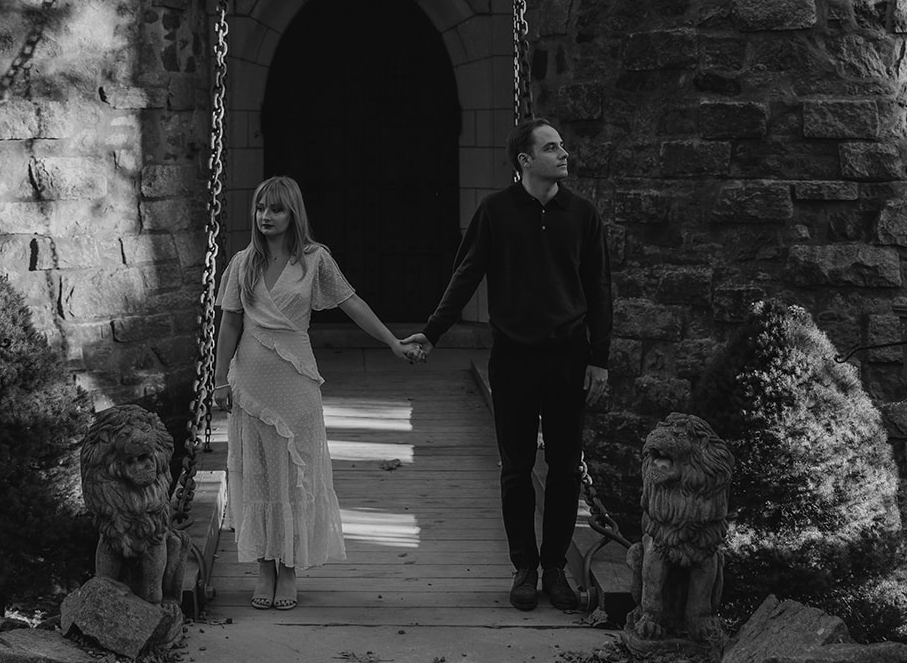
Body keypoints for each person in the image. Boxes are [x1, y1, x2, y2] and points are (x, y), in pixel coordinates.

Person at [402, 117, 612, 614]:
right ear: (525, 159)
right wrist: (432, 333)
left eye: (562, 146)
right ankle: (524, 567)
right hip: (514, 359)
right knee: (516, 469)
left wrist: (599, 360)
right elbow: (466, 274)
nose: (564, 154)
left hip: (568, 359)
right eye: (552, 147)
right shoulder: (495, 212)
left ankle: (556, 568)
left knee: (563, 469)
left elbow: (600, 290)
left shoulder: (583, 214)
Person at [213, 175, 422, 611]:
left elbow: (352, 303)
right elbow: (230, 323)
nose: (266, 217)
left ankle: (288, 570)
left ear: (293, 214)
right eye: (260, 209)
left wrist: (392, 342)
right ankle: (264, 568)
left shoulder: (313, 260)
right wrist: (218, 380)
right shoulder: (242, 262)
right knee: (259, 475)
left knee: (294, 475)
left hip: (296, 385)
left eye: (276, 209)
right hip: (250, 387)